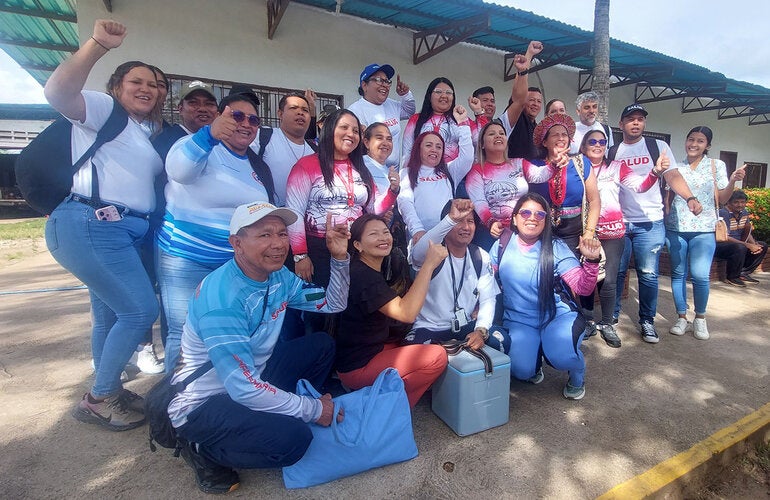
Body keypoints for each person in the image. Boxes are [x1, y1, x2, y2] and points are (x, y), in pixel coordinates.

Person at [168, 203, 350, 494]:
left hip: (252, 376)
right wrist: (313, 409)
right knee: (294, 441)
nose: (278, 244)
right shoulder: (222, 301)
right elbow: (243, 389)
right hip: (204, 403)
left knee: (322, 345)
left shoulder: (279, 276)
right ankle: (202, 448)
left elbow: (332, 303)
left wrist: (340, 258)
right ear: (236, 243)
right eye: (264, 235)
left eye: (281, 234)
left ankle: (282, 411)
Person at [43, 19, 162, 430]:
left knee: (111, 315)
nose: (148, 88)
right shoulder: (102, 109)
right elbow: (58, 92)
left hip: (113, 230)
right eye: (137, 82)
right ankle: (99, 398)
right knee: (141, 309)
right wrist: (97, 45)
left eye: (155, 84)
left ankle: (107, 386)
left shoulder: (138, 131)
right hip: (93, 224)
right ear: (117, 87)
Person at [158, 94, 275, 371]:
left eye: (253, 119)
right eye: (237, 116)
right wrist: (208, 135)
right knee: (184, 329)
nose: (246, 123)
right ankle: (174, 403)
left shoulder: (256, 166)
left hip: (232, 265)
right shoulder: (196, 145)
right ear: (221, 116)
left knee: (229, 328)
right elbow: (179, 171)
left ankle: (216, 397)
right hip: (186, 258)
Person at [491, 194, 601, 400]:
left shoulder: (556, 247)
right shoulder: (502, 244)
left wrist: (592, 261)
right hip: (519, 321)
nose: (532, 218)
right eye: (525, 212)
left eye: (539, 214)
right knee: (521, 371)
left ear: (546, 220)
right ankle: (533, 362)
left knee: (561, 357)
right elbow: (486, 278)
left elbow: (583, 288)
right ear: (514, 218)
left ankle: (576, 372)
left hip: (557, 317)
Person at [611, 103, 703, 344]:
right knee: (617, 272)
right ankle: (611, 318)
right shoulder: (612, 151)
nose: (636, 123)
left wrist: (689, 197)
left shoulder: (657, 147)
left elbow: (672, 175)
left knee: (649, 274)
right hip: (619, 222)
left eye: (640, 119)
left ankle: (647, 321)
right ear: (621, 124)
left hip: (650, 223)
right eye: (631, 119)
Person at [335, 214, 448, 407]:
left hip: (367, 351)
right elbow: (406, 313)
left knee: (413, 343)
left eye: (385, 232)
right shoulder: (363, 276)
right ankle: (389, 409)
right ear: (357, 245)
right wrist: (429, 265)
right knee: (437, 357)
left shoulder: (364, 269)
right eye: (373, 234)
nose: (383, 237)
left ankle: (383, 399)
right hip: (358, 367)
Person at [286, 109, 397, 288]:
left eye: (355, 130)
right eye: (344, 127)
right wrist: (301, 256)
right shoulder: (306, 165)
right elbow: (294, 212)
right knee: (322, 308)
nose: (350, 134)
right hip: (318, 249)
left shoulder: (360, 168)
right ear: (330, 130)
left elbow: (373, 209)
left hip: (356, 248)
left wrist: (393, 191)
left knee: (353, 307)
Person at [582, 129, 666, 348]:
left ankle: (607, 323)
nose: (598, 144)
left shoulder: (616, 167)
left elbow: (639, 185)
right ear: (583, 146)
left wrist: (655, 173)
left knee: (608, 280)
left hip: (611, 232)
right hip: (585, 232)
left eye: (602, 141)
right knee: (587, 280)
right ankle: (588, 320)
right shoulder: (577, 167)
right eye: (592, 141)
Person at [665, 126, 746, 340]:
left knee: (700, 276)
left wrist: (732, 181)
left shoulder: (716, 165)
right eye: (691, 139)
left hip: (704, 229)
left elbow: (723, 197)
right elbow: (667, 198)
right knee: (678, 275)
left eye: (700, 141)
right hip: (676, 228)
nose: (694, 144)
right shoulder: (676, 167)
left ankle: (700, 318)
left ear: (707, 145)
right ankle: (682, 317)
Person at [527, 113, 602, 334]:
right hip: (544, 230)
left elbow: (594, 200)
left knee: (572, 277)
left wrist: (589, 232)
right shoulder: (535, 167)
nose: (561, 138)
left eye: (565, 134)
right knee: (544, 275)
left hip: (573, 231)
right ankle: (544, 318)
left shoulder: (581, 163)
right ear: (544, 141)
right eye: (555, 135)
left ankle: (573, 320)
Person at [404, 199, 511, 353]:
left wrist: (480, 331)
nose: (466, 227)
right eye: (458, 221)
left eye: (470, 221)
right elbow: (417, 251)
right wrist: (450, 218)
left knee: (501, 339)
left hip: (465, 326)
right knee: (414, 354)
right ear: (446, 224)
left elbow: (488, 299)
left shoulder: (480, 256)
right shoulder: (433, 252)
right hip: (430, 328)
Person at [464, 120, 555, 249]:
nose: (498, 136)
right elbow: (479, 202)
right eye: (491, 134)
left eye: (502, 133)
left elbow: (541, 175)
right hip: (491, 233)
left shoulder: (519, 163)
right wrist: (491, 223)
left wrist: (555, 164)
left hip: (521, 230)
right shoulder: (476, 171)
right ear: (482, 145)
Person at [397, 110, 473, 247]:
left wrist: (463, 124)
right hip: (421, 239)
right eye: (428, 145)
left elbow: (467, 157)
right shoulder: (406, 173)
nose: (434, 150)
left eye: (439, 147)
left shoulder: (450, 170)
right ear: (418, 149)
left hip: (449, 240)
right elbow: (405, 204)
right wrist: (417, 230)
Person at [401, 77, 486, 166]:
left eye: (448, 93)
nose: (444, 96)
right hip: (422, 176)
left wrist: (479, 112)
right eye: (438, 92)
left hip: (456, 177)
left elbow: (482, 140)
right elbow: (407, 152)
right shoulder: (416, 119)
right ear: (429, 96)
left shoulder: (461, 118)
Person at [255, 92, 317, 207]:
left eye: (305, 110)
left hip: (306, 220)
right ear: (280, 114)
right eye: (293, 108)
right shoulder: (262, 137)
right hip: (270, 217)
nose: (300, 112)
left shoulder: (315, 151)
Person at [347, 63, 415, 167]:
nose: (384, 84)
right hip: (369, 170)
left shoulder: (392, 104)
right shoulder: (354, 111)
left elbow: (409, 111)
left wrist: (405, 95)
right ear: (364, 85)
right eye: (378, 80)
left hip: (393, 172)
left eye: (387, 81)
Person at [153, 81, 219, 161]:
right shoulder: (163, 140)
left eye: (209, 104)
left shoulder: (223, 142)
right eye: (194, 103)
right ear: (180, 109)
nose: (202, 109)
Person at [500, 41, 543, 159]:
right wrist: (529, 55)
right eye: (531, 100)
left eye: (539, 101)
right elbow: (518, 96)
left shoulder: (538, 129)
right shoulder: (516, 119)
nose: (535, 104)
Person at [715, 190, 768, 285]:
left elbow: (747, 231)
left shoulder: (744, 213)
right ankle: (732, 277)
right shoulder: (723, 213)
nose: (740, 205)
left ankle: (743, 273)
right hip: (721, 245)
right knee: (740, 247)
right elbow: (724, 237)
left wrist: (754, 244)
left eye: (742, 202)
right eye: (736, 202)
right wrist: (747, 245)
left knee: (762, 246)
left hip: (739, 245)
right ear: (729, 202)